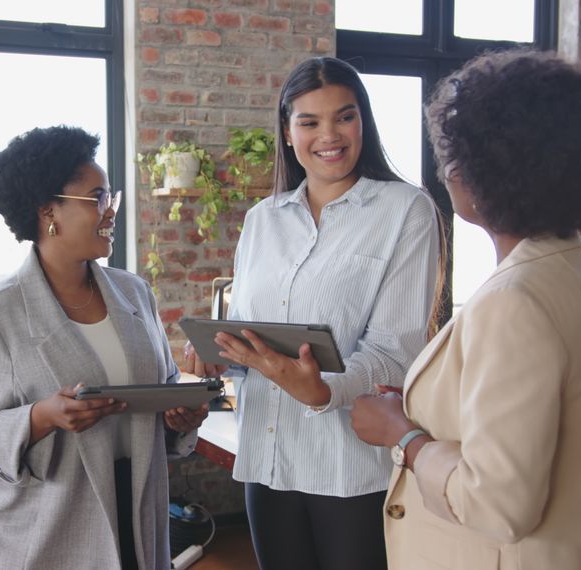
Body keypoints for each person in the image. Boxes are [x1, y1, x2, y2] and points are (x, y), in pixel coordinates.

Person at [350, 49, 581, 569]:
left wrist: (403, 437)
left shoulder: (514, 300)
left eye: (451, 157)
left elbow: (498, 504)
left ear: (476, 169)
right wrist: (422, 407)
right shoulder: (568, 266)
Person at [185, 57, 441, 569]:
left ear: (363, 121)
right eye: (309, 122)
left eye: (344, 117)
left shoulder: (405, 210)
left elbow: (396, 353)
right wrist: (220, 353)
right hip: (267, 460)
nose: (330, 135)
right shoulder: (262, 220)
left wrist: (322, 390)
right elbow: (255, 336)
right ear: (286, 131)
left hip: (350, 467)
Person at [0, 125, 208, 570]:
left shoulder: (135, 293)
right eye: (98, 198)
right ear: (49, 211)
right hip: (41, 526)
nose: (111, 212)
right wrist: (41, 416)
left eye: (111, 198)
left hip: (136, 507)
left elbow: (160, 390)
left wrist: (179, 415)